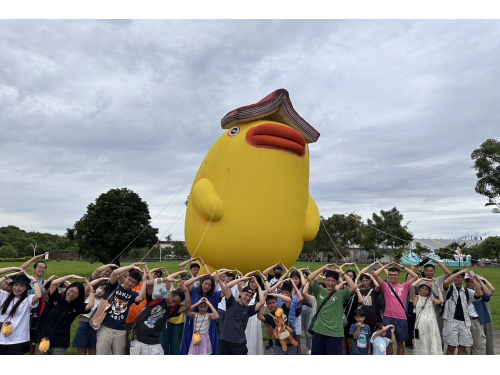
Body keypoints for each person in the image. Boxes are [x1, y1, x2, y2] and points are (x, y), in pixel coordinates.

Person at [96, 264, 147, 355]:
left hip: (120, 330)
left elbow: (140, 298)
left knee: (118, 354)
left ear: (137, 284)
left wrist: (144, 280)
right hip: (106, 327)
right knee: (101, 353)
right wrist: (132, 266)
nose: (130, 283)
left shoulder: (133, 294)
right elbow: (115, 273)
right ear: (126, 277)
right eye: (129, 279)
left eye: (134, 282)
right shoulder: (115, 286)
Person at [307, 263, 356, 355]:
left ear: (337, 282)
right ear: (325, 280)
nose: (330, 283)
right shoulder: (319, 291)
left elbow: (353, 287)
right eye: (328, 280)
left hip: (334, 333)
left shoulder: (341, 294)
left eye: (333, 281)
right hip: (319, 331)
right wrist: (324, 268)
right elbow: (309, 278)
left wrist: (342, 272)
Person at [130, 282, 191, 355]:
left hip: (153, 344)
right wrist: (164, 279)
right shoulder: (156, 298)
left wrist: (186, 291)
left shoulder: (172, 309)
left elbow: (187, 307)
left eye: (176, 304)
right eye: (174, 301)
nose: (173, 304)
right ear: (171, 295)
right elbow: (149, 284)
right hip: (137, 340)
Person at [39, 275, 94, 355]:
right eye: (71, 291)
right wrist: (70, 276)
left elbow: (90, 305)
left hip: (60, 343)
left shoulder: (77, 307)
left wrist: (91, 290)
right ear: (67, 288)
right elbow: (54, 283)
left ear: (78, 296)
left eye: (75, 294)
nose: (71, 294)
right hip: (44, 339)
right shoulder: (56, 298)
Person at [373, 262, 419, 355]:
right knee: (389, 342)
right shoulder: (385, 286)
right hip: (388, 318)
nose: (392, 277)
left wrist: (403, 267)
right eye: (390, 275)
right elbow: (375, 274)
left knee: (400, 343)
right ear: (388, 276)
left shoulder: (404, 286)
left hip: (401, 318)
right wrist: (385, 266)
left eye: (395, 275)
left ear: (399, 276)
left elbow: (415, 276)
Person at [218, 274, 265, 355]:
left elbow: (262, 302)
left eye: (250, 296)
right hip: (226, 341)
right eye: (246, 295)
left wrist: (258, 286)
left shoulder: (249, 309)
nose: (248, 297)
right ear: (241, 294)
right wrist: (242, 279)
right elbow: (228, 286)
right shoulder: (231, 302)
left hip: (239, 343)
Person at [442, 269, 482, 355]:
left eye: (459, 277)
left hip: (464, 322)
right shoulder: (450, 289)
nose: (456, 279)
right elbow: (445, 283)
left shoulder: (467, 291)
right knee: (451, 347)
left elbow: (479, 294)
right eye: (455, 277)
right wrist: (459, 272)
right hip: (451, 321)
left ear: (463, 279)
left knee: (463, 347)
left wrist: (474, 280)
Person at [0, 272, 41, 355]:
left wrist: (34, 280)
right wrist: (8, 275)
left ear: (26, 288)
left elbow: (38, 296)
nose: (17, 288)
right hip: (2, 338)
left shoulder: (28, 299)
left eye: (22, 286)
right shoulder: (4, 295)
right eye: (16, 285)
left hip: (18, 339)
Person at [181, 273, 222, 355]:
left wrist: (220, 281)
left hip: (208, 325)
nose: (207, 286)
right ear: (202, 283)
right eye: (205, 283)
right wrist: (199, 277)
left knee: (206, 348)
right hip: (193, 323)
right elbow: (185, 284)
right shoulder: (194, 290)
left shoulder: (215, 294)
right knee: (190, 346)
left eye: (210, 285)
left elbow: (226, 291)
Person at [72, 278, 109, 355]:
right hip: (83, 324)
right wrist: (101, 279)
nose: (101, 290)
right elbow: (89, 285)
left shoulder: (104, 302)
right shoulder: (87, 295)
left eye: (105, 290)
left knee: (93, 348)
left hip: (94, 327)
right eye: (101, 287)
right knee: (81, 348)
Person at [409, 278, 443, 355]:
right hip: (420, 324)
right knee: (421, 342)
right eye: (422, 288)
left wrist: (438, 288)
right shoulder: (416, 298)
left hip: (432, 325)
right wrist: (422, 279)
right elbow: (412, 286)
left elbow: (441, 301)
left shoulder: (431, 300)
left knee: (431, 342)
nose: (423, 290)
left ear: (429, 292)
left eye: (426, 289)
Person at [160, 274, 190, 355]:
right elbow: (168, 280)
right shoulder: (172, 293)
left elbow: (187, 306)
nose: (183, 285)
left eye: (186, 283)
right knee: (164, 344)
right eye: (182, 283)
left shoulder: (186, 296)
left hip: (178, 323)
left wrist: (186, 291)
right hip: (166, 322)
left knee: (175, 346)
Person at [464, 273, 492, 355]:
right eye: (467, 281)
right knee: (465, 347)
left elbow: (488, 294)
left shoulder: (479, 292)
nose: (470, 283)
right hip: (465, 321)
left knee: (479, 346)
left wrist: (479, 280)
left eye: (472, 282)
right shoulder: (462, 291)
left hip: (476, 321)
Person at [340, 269, 364, 355]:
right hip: (341, 320)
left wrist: (356, 289)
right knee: (342, 346)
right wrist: (343, 283)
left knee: (351, 346)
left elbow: (361, 301)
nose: (349, 277)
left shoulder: (355, 294)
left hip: (350, 321)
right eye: (347, 275)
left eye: (351, 276)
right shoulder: (341, 292)